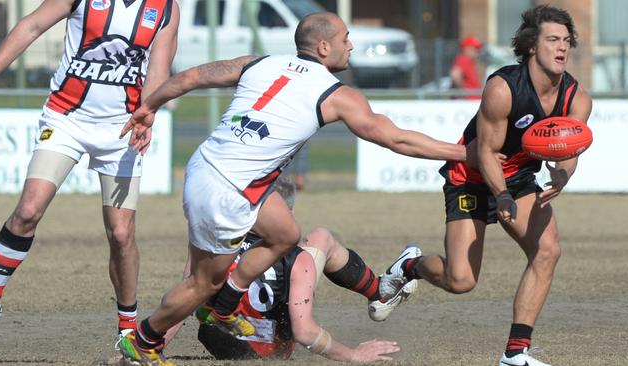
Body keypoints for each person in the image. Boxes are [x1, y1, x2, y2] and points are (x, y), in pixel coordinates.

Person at [117, 11, 475, 365]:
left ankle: (224, 307)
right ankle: (145, 339)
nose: (350, 46)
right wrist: (464, 153)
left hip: (210, 166)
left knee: (285, 232)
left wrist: (149, 105)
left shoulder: (260, 63)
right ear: (323, 47)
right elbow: (397, 139)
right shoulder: (336, 95)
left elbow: (195, 76)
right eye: (345, 39)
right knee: (201, 284)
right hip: (227, 189)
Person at [380, 5, 592, 366]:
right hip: (473, 179)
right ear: (530, 46)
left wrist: (564, 172)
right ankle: (409, 266)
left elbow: (569, 144)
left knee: (547, 251)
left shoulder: (576, 97)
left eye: (567, 41)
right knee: (460, 280)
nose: (562, 48)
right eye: (553, 40)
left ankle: (515, 353)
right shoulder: (502, 88)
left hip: (521, 177)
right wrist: (502, 195)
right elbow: (487, 153)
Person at [0, 0, 179, 339]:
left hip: (121, 128)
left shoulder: (165, 7)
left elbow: (158, 68)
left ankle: (126, 331)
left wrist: (148, 111)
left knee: (121, 234)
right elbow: (30, 26)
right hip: (66, 118)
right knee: (29, 210)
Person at [172, 176, 417, 362]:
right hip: (272, 350)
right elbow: (306, 333)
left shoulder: (215, 237)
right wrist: (353, 354)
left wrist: (150, 343)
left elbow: (183, 301)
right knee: (321, 237)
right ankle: (379, 292)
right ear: (287, 212)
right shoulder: (298, 259)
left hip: (219, 338)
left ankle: (380, 292)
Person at [450, 35, 483, 100]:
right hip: (467, 103)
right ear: (467, 48)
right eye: (475, 48)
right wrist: (463, 95)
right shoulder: (463, 59)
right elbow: (455, 75)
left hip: (472, 102)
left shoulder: (469, 61)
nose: (477, 52)